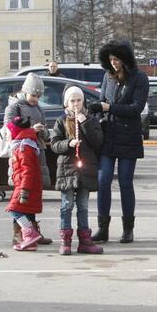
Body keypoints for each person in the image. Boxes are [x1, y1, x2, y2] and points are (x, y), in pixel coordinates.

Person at [89, 40, 149, 244]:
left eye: (117, 59)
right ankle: (102, 228)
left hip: (129, 136)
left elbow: (136, 108)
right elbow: (103, 100)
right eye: (111, 59)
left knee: (125, 182)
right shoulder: (108, 76)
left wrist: (108, 108)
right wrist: (96, 109)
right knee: (103, 181)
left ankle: (128, 229)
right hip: (108, 135)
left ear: (125, 59)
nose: (114, 63)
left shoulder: (139, 78)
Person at [51, 86, 104, 255]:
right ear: (67, 103)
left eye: (79, 100)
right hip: (67, 169)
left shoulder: (90, 120)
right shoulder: (61, 121)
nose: (76, 104)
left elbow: (97, 141)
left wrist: (85, 122)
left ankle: (85, 241)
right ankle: (65, 240)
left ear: (83, 101)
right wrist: (68, 143)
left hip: (85, 169)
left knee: (83, 205)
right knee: (67, 205)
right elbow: (54, 144)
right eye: (72, 101)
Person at [4, 73, 52, 246]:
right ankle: (19, 233)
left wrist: (42, 131)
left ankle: (32, 229)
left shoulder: (39, 108)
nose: (36, 99)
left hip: (36, 151)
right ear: (25, 91)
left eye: (39, 96)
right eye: (33, 95)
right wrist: (32, 129)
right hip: (21, 154)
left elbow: (46, 132)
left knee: (31, 195)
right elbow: (10, 128)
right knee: (21, 195)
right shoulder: (14, 107)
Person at [5, 116, 44, 251]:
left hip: (25, 186)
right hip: (24, 185)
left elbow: (28, 171)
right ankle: (30, 242)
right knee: (24, 211)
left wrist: (24, 190)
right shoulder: (22, 145)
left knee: (14, 210)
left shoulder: (23, 147)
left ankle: (30, 233)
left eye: (11, 131)